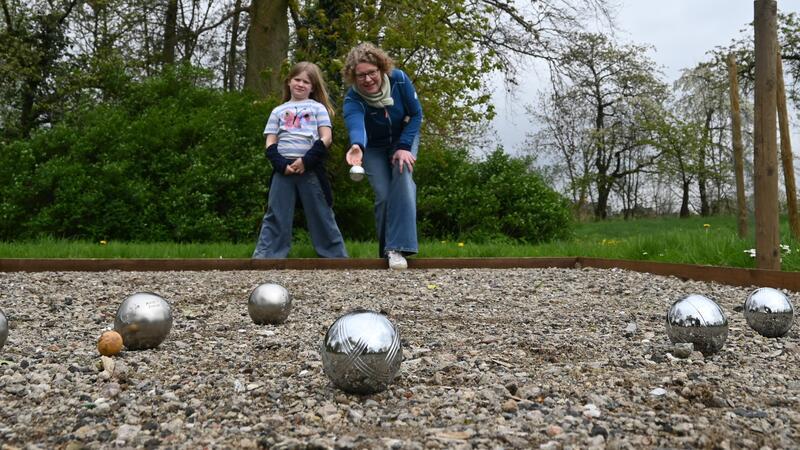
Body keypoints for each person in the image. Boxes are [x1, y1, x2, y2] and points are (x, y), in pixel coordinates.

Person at [252, 62, 348, 259]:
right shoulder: (278, 111)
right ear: (289, 82)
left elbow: (326, 138)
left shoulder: (318, 108)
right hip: (283, 169)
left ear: (313, 87)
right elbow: (270, 141)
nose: (301, 84)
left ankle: (335, 258)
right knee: (276, 213)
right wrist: (280, 164)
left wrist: (306, 160)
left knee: (321, 213)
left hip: (311, 169)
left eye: (306, 82)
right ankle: (267, 256)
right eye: (297, 79)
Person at [342, 43, 423, 270]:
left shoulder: (399, 80)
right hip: (374, 147)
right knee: (385, 196)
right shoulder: (352, 100)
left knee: (402, 172)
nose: (367, 79)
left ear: (382, 69)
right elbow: (355, 125)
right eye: (361, 75)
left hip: (402, 138)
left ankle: (399, 249)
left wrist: (404, 145)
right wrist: (357, 146)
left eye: (372, 73)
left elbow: (416, 114)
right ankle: (387, 252)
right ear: (353, 77)